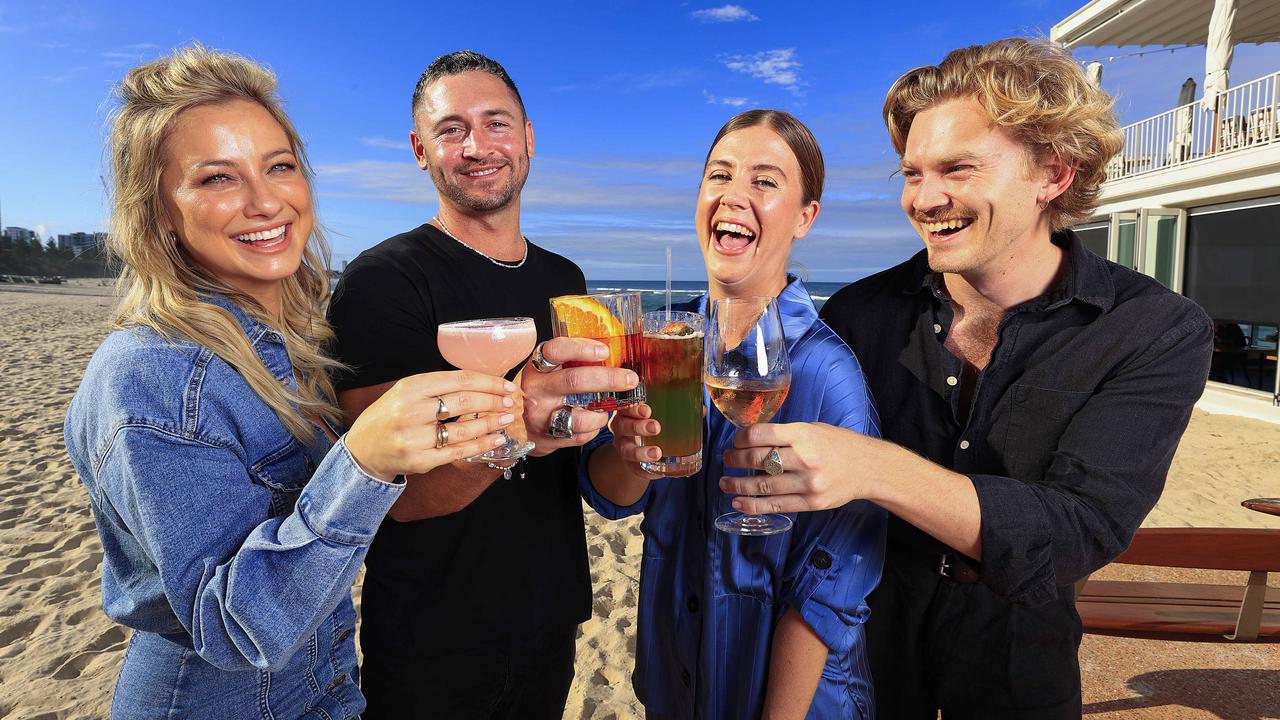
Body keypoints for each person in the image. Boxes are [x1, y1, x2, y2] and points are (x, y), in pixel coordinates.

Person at [722, 39, 1213, 718]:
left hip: (1019, 658)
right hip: (864, 653)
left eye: (957, 168)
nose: (924, 199)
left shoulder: (1155, 328)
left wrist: (874, 468)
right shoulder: (859, 314)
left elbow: (1082, 528)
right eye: (912, 172)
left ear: (1055, 172)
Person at [62, 45, 517, 719]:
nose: (264, 200)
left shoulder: (287, 343)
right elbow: (233, 628)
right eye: (217, 178)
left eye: (279, 166)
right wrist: (364, 460)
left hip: (324, 685)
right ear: (159, 209)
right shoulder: (153, 373)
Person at [327, 50, 635, 719]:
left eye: (496, 124)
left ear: (529, 137)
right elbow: (388, 497)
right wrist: (517, 425)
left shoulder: (566, 281)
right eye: (450, 129)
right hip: (432, 638)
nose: (476, 146)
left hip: (552, 619)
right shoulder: (382, 283)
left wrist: (637, 451)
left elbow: (586, 467)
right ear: (419, 150)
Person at [579, 110, 885, 719]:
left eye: (765, 181)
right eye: (719, 175)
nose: (734, 195)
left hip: (789, 700)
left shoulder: (826, 371)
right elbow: (612, 495)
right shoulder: (665, 339)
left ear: (805, 218)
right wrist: (632, 455)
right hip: (675, 677)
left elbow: (836, 585)